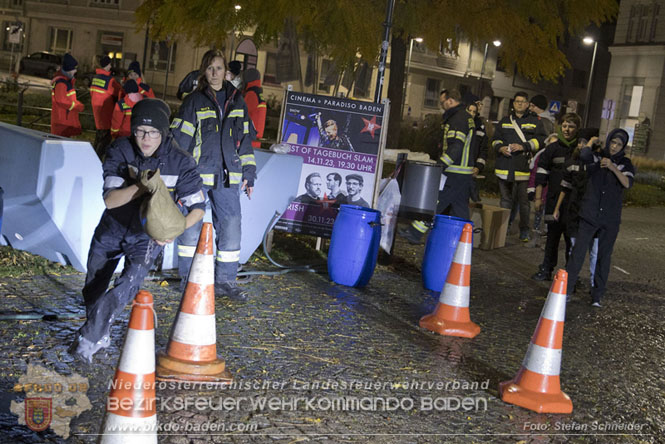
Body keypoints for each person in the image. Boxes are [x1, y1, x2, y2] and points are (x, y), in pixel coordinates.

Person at [71, 99, 205, 363]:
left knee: (128, 283)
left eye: (153, 132)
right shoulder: (120, 149)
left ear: (163, 133)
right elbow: (110, 200)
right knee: (94, 285)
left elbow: (198, 208)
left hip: (146, 236)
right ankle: (99, 327)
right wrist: (144, 186)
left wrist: (173, 231)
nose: (146, 138)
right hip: (113, 227)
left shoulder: (181, 162)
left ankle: (90, 338)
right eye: (140, 131)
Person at [171, 49, 256, 301]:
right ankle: (187, 280)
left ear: (226, 71)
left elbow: (245, 140)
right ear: (204, 72)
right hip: (196, 177)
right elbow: (179, 141)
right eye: (210, 69)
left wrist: (249, 173)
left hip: (228, 176)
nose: (215, 73)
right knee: (189, 230)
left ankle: (226, 282)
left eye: (219, 68)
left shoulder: (238, 100)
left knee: (230, 228)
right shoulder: (193, 101)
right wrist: (177, 177)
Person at [565, 129, 635, 307]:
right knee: (577, 255)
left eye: (618, 144)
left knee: (604, 258)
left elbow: (627, 183)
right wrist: (592, 142)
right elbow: (584, 155)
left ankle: (597, 295)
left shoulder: (625, 163)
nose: (614, 147)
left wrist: (612, 167)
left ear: (623, 147)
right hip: (589, 214)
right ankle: (566, 291)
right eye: (612, 142)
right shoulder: (597, 156)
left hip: (610, 219)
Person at [399, 89, 475, 243]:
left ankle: (415, 232)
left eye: (442, 102)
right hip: (463, 171)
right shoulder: (464, 117)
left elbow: (455, 147)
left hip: (455, 170)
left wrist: (440, 166)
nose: (442, 106)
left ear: (451, 100)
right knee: (460, 208)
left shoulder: (457, 119)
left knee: (437, 200)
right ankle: (466, 240)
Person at [531, 113, 581, 281]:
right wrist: (538, 198)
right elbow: (541, 173)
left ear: (577, 129)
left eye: (571, 126)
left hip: (573, 203)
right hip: (553, 201)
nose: (567, 129)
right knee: (552, 237)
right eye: (565, 126)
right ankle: (546, 269)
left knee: (571, 241)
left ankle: (571, 275)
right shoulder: (552, 149)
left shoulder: (581, 151)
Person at [491, 91, 547, 242]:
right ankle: (502, 229)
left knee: (523, 203)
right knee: (505, 201)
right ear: (513, 103)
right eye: (517, 101)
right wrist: (500, 148)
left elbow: (542, 141)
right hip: (504, 167)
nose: (520, 104)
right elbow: (495, 139)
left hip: (523, 168)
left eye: (523, 101)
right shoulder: (504, 121)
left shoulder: (535, 121)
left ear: (528, 104)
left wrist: (524, 146)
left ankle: (524, 231)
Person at [552, 128, 600, 288]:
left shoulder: (598, 163)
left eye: (585, 142)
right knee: (573, 247)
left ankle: (595, 285)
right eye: (579, 142)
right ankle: (571, 282)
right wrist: (557, 208)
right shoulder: (571, 163)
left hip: (592, 212)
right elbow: (565, 188)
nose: (580, 145)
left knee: (594, 252)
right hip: (574, 210)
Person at [90, 55, 121, 158]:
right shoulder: (110, 81)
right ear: (107, 65)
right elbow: (119, 92)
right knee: (105, 140)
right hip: (106, 112)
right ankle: (97, 161)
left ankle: (93, 158)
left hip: (97, 112)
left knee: (99, 137)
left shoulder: (95, 78)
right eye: (110, 64)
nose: (111, 66)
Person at [51, 53, 84, 137]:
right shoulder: (62, 83)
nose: (75, 71)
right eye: (74, 69)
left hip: (64, 121)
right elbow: (62, 101)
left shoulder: (65, 82)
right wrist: (77, 106)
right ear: (68, 69)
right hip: (63, 122)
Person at [242, 68, 267, 148]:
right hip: (256, 141)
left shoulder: (251, 95)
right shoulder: (258, 94)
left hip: (248, 142)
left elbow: (242, 116)